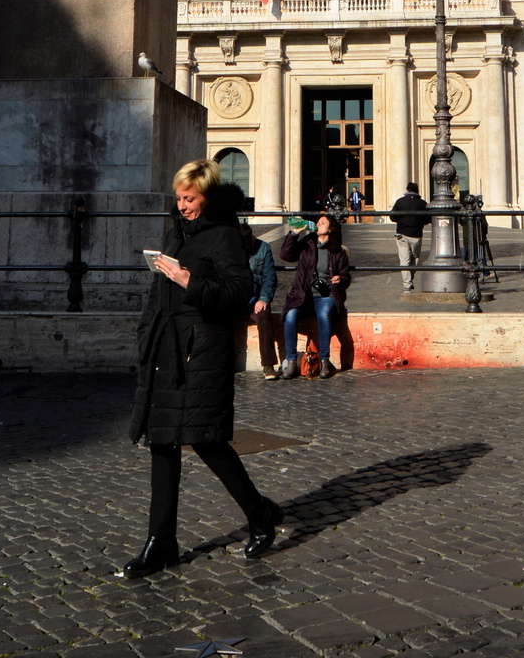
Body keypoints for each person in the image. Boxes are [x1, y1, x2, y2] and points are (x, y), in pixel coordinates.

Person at [121, 159, 281, 580]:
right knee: (162, 441)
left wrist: (190, 281)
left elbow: (237, 292)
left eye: (189, 198)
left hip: (201, 352)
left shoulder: (226, 236)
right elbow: (159, 291)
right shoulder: (175, 232)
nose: (182, 205)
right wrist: (145, 334)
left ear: (206, 197)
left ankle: (260, 513)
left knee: (206, 440)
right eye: (178, 198)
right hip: (165, 349)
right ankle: (161, 543)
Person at [278, 211, 354, 377]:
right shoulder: (307, 243)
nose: (318, 224)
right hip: (302, 295)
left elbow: (346, 276)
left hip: (326, 297)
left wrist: (340, 279)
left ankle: (324, 361)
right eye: (318, 222)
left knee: (324, 315)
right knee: (290, 316)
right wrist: (294, 233)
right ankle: (291, 362)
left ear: (331, 228)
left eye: (322, 222)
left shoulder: (338, 252)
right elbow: (285, 255)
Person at [248, 233, 282, 379]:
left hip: (255, 297)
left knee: (264, 316)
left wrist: (263, 299)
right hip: (235, 296)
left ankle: (268, 366)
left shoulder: (263, 248)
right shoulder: (230, 245)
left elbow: (270, 276)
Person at [389, 181, 428, 293]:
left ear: (407, 190)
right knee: (415, 259)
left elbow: (393, 217)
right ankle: (409, 281)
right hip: (416, 235)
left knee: (404, 260)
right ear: (417, 191)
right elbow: (427, 220)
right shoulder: (422, 203)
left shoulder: (400, 202)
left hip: (402, 234)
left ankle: (407, 284)